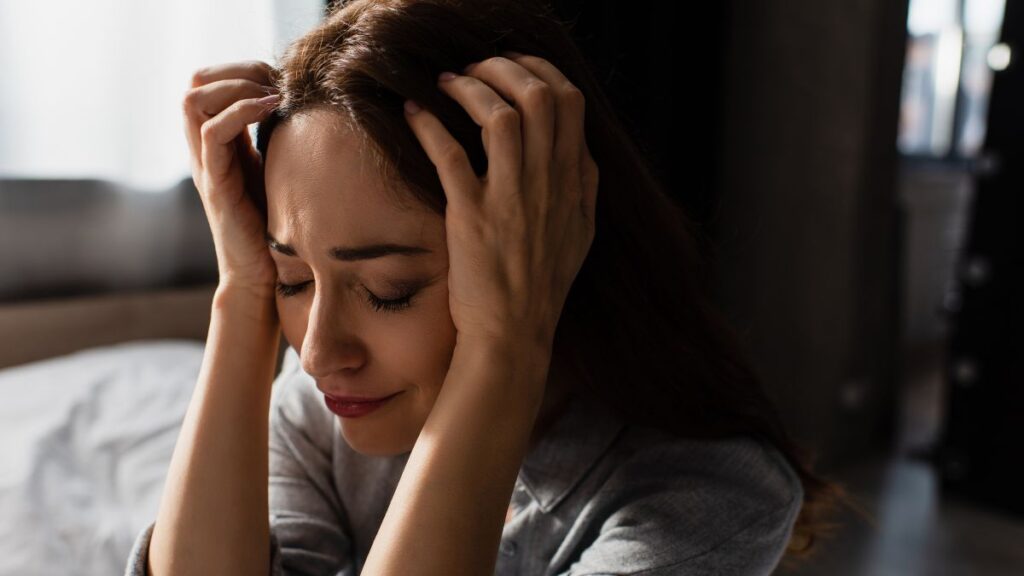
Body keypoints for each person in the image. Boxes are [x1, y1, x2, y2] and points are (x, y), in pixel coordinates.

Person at [126, 0, 850, 574]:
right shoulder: (323, 414)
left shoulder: (711, 499)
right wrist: (242, 293)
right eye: (295, 280)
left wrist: (504, 347)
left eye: (388, 289)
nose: (316, 355)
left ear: (546, 251)